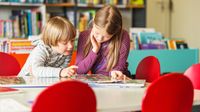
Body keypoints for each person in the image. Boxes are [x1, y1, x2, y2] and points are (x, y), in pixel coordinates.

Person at [75, 5, 130, 80]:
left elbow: (118, 68)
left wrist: (115, 73)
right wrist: (94, 50)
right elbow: (79, 70)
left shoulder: (123, 36)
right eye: (97, 33)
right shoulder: (84, 36)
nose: (100, 38)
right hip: (96, 82)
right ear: (94, 22)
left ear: (115, 33)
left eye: (106, 36)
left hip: (116, 82)